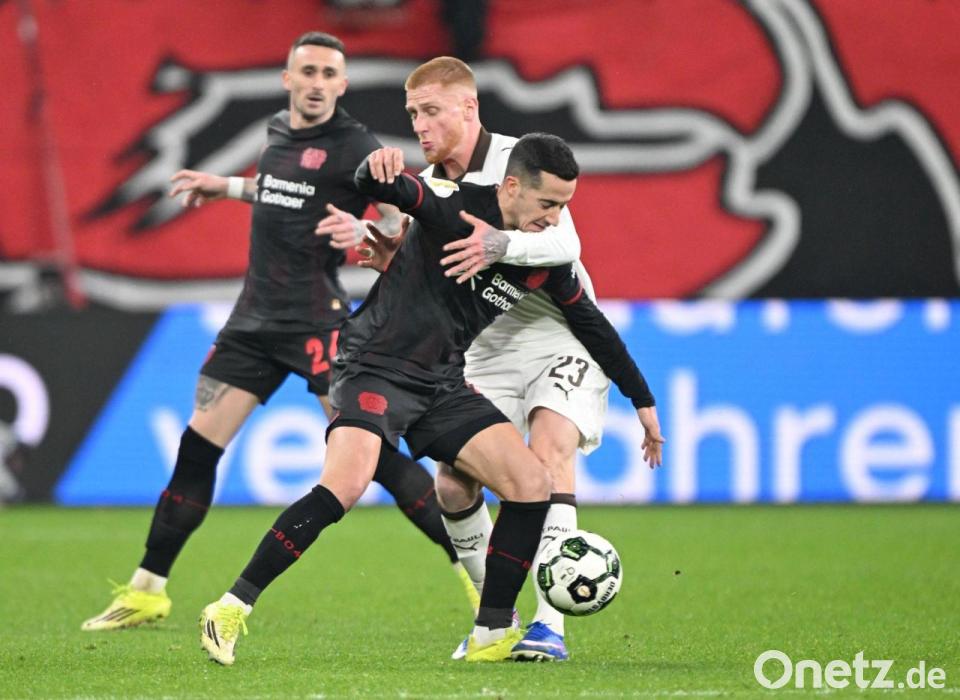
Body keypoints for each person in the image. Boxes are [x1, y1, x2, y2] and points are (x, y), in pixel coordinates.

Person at [197, 133, 661, 666]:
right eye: (548, 203)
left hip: (441, 382)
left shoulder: (543, 258)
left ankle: (492, 630)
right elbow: (389, 188)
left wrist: (642, 400)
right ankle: (231, 606)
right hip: (374, 366)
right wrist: (376, 169)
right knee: (345, 485)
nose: (555, 219)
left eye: (564, 206)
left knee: (532, 484)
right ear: (512, 186)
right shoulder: (457, 205)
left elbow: (593, 327)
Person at [81, 31, 468, 633]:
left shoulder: (356, 146)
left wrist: (365, 233)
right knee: (197, 449)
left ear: (342, 85)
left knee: (375, 459)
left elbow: (398, 223)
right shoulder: (278, 131)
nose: (317, 83)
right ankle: (148, 590)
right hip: (252, 323)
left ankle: (471, 570)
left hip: (317, 323)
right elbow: (286, 191)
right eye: (307, 72)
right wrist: (227, 186)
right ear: (288, 79)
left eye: (329, 74)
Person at [332, 56, 665, 661]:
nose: (421, 125)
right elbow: (439, 270)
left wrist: (500, 243)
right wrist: (394, 262)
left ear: (469, 108)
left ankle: (549, 626)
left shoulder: (519, 161)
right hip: (483, 343)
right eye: (413, 114)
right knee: (453, 484)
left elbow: (565, 242)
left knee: (550, 450)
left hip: (557, 332)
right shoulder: (431, 185)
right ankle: (497, 616)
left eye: (432, 111)